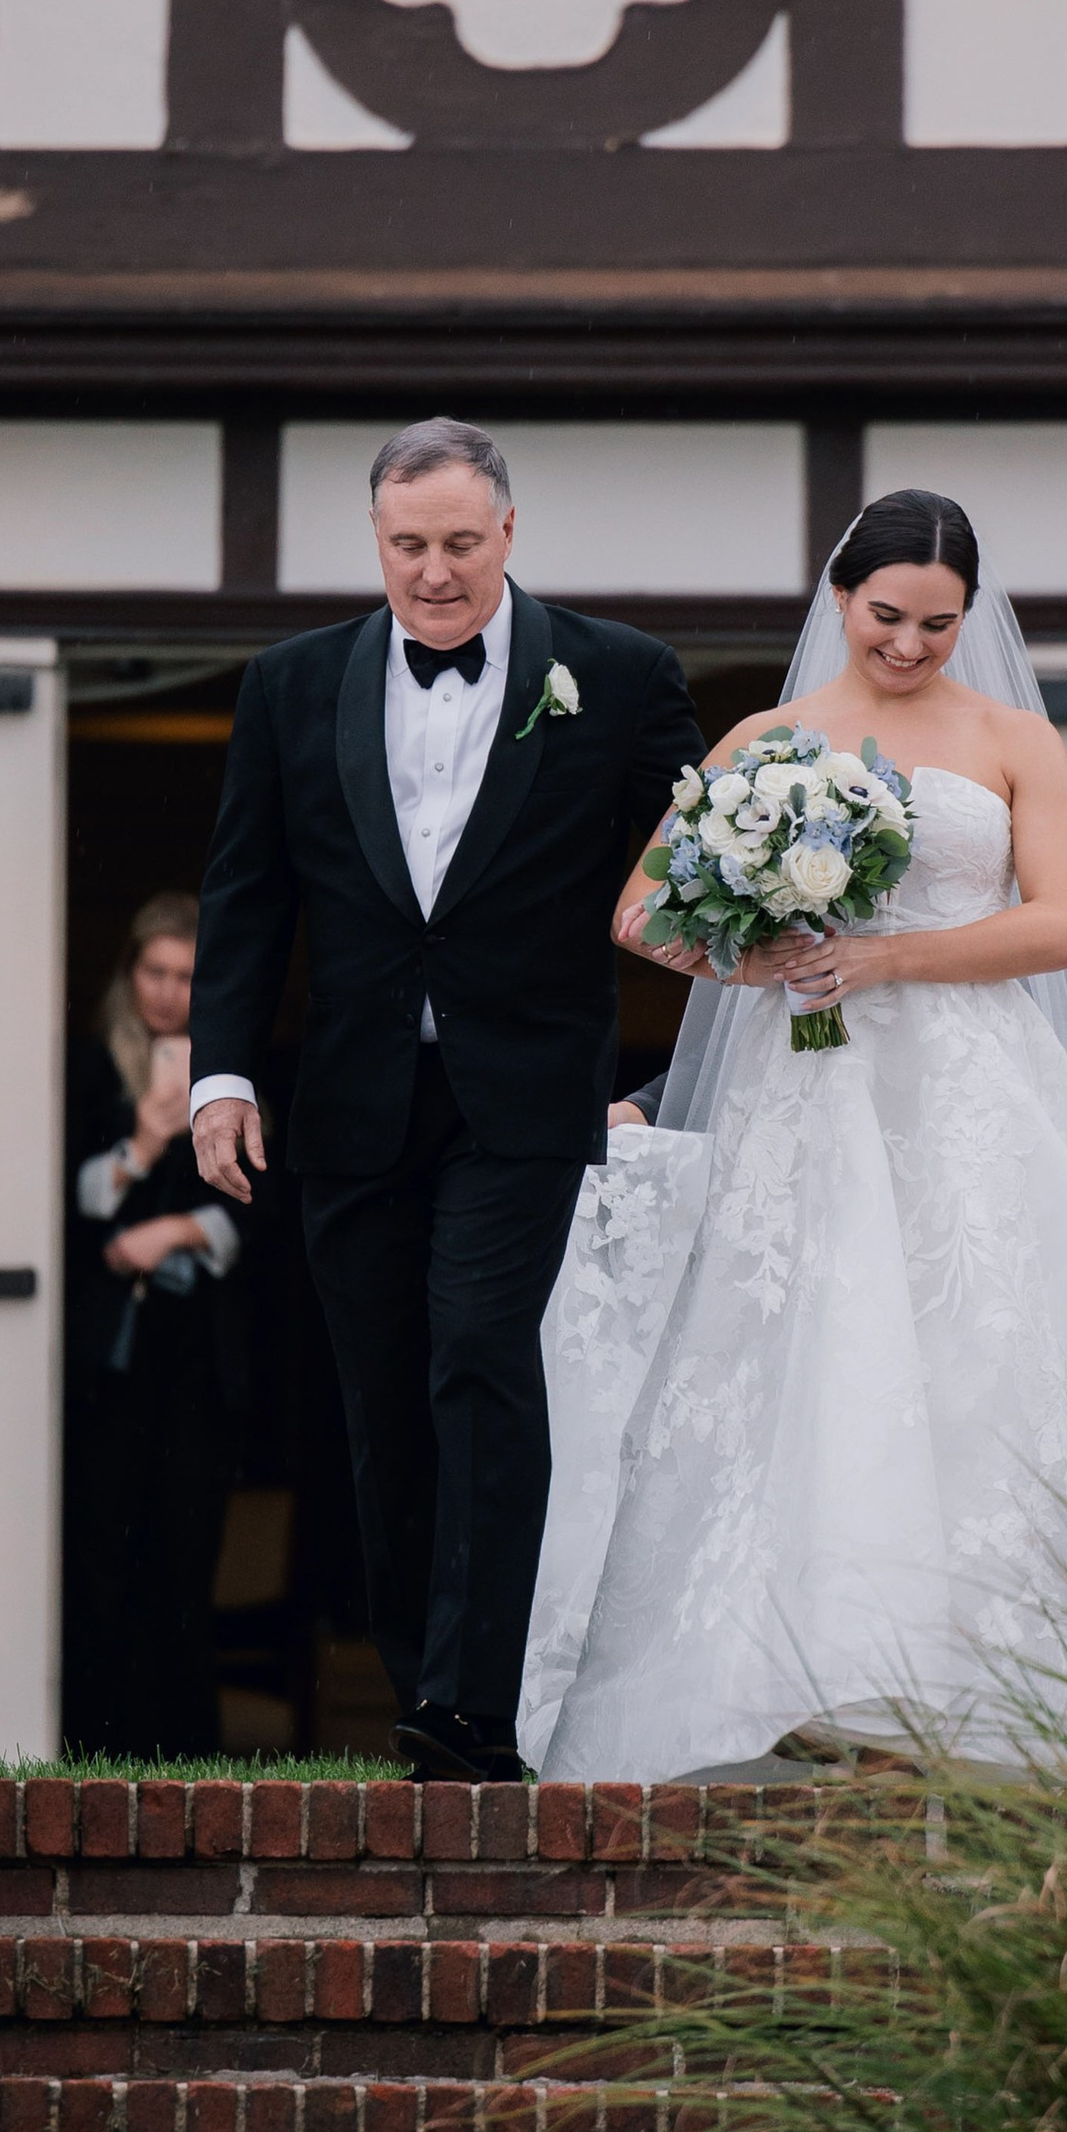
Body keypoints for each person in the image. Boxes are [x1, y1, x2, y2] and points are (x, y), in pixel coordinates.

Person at [523, 490, 1067, 1784]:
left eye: (939, 624)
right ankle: (816, 1665)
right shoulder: (771, 737)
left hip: (974, 1092)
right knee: (816, 1350)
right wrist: (755, 950)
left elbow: (1061, 925)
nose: (909, 645)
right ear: (842, 597)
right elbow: (644, 912)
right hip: (807, 1095)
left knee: (987, 1358)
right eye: (889, 617)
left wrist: (885, 958)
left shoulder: (1013, 740)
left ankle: (981, 1677)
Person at [186, 417, 705, 1787]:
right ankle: (428, 1693)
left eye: (461, 544)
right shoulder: (292, 686)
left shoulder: (621, 675)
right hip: (350, 1103)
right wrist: (223, 1075)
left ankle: (478, 1704)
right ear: (377, 540)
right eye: (408, 545)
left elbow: (699, 858)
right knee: (382, 1401)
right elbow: (247, 895)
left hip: (524, 1094)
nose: (434, 573)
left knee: (479, 1353)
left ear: (511, 533)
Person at [610, 872, 1067, 1139]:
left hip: (1042, 1173)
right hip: (868, 1172)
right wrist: (644, 1106)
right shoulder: (850, 907)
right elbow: (767, 1037)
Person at [63, 893, 245, 1758]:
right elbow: (74, 1204)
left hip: (196, 1360)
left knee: (183, 1563)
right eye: (156, 972)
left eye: (187, 976)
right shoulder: (92, 1068)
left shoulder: (233, 1077)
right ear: (130, 973)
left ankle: (188, 1761)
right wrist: (142, 1138)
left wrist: (168, 1229)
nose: (169, 993)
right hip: (108, 1360)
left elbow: (257, 1220)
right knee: (101, 1558)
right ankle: (95, 1755)